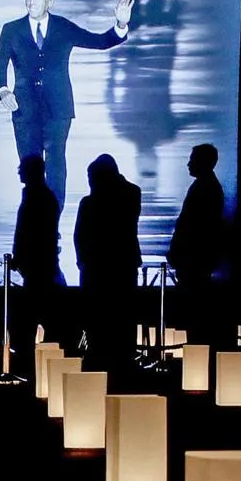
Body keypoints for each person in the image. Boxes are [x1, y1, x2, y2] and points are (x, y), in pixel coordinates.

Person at [0, 0, 133, 209]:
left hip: (58, 109)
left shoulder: (63, 28)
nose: (30, 2)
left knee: (56, 164)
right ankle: (34, 218)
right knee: (30, 167)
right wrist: (3, 90)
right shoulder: (11, 30)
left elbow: (99, 41)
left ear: (50, 1)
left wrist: (120, 24)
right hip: (24, 110)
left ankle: (53, 219)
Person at [74, 154, 141, 375]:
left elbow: (79, 235)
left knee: (106, 319)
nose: (90, 182)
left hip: (101, 269)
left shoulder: (93, 202)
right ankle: (121, 359)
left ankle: (104, 358)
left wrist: (82, 261)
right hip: (118, 266)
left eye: (92, 177)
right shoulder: (131, 193)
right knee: (119, 317)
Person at [10, 154, 62, 381]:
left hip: (38, 268)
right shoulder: (43, 197)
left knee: (29, 319)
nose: (19, 172)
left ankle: (32, 366)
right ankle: (40, 366)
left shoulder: (38, 198)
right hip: (38, 267)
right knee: (35, 318)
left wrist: (21, 256)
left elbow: (31, 234)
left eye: (22, 168)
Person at [166, 144, 225, 339]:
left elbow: (195, 227)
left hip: (194, 261)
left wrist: (181, 251)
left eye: (192, 159)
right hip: (194, 260)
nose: (188, 164)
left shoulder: (205, 188)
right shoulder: (207, 186)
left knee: (193, 312)